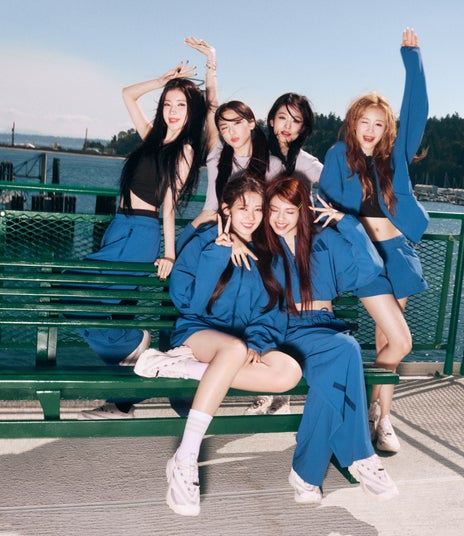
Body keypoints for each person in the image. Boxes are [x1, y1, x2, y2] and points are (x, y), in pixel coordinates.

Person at [133, 173, 302, 516]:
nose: (251, 217)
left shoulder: (272, 253)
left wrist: (257, 342)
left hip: (241, 343)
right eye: (242, 208)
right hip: (198, 333)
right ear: (226, 209)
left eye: (258, 209)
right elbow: (188, 304)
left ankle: (178, 367)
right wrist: (218, 253)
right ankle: (185, 457)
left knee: (289, 372)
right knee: (233, 351)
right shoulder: (202, 242)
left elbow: (274, 312)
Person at [317, 28, 429, 453]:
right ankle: (371, 412)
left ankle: (382, 417)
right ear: (353, 123)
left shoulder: (395, 156)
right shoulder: (336, 155)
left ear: (387, 130)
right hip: (365, 258)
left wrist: (412, 58)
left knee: (388, 340)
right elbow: (325, 209)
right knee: (397, 339)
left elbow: (418, 109)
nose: (370, 129)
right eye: (364, 122)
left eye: (379, 124)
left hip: (398, 252)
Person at [79, 63, 207, 419]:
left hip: (140, 233)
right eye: (168, 103)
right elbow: (127, 94)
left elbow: (169, 206)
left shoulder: (184, 150)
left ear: (192, 112)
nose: (173, 111)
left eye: (181, 105)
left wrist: (169, 253)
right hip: (119, 228)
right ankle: (125, 384)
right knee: (91, 303)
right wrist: (161, 80)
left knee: (74, 292)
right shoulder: (152, 137)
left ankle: (134, 343)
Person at [265, 175, 399, 503]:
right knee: (347, 350)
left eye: (289, 211)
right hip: (287, 331)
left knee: (332, 380)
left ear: (303, 211)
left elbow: (371, 266)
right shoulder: (262, 247)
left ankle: (307, 474)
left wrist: (347, 222)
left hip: (324, 327)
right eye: (273, 210)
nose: (280, 218)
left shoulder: (324, 240)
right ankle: (360, 456)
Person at [246, 92, 324, 416]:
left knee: (289, 312)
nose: (287, 126)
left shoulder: (308, 163)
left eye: (296, 120)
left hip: (293, 249)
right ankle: (266, 386)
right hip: (260, 245)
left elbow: (340, 189)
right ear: (271, 120)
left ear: (304, 127)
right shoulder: (256, 156)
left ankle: (282, 393)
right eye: (282, 118)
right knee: (261, 309)